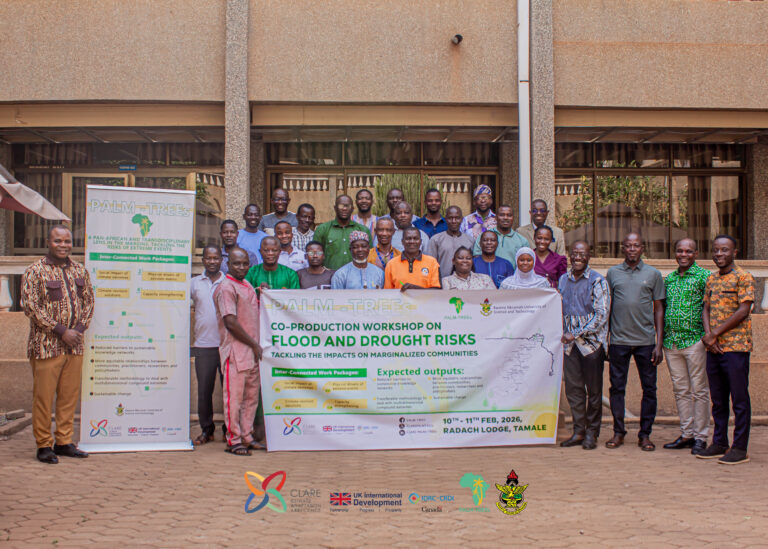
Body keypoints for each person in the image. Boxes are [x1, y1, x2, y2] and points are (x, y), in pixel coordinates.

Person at [21, 225, 94, 464]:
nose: (63, 245)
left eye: (66, 241)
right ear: (48, 242)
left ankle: (63, 441)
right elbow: (31, 307)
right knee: (43, 397)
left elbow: (89, 303)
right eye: (58, 241)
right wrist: (62, 331)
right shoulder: (35, 271)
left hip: (74, 346)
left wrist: (78, 331)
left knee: (68, 396)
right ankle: (43, 444)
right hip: (46, 346)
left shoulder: (80, 271)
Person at [698, 235, 755, 465]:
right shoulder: (711, 279)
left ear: (735, 252)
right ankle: (719, 442)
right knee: (718, 399)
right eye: (716, 250)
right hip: (713, 349)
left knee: (739, 399)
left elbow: (743, 310)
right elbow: (705, 309)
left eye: (724, 250)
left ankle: (739, 448)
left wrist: (715, 334)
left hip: (735, 347)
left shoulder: (744, 277)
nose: (719, 254)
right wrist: (709, 336)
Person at [605, 232, 665, 452]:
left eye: (636, 245)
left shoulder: (653, 274)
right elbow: (607, 308)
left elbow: (659, 309)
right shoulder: (613, 273)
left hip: (646, 341)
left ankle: (645, 435)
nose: (632, 249)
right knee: (617, 388)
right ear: (622, 248)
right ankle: (618, 432)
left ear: (643, 248)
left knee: (649, 388)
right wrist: (606, 340)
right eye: (628, 245)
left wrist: (659, 343)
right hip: (619, 341)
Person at [558, 241, 610, 450]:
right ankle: (578, 431)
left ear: (589, 256)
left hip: (591, 346)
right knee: (574, 390)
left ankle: (592, 433)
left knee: (594, 391)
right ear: (570, 255)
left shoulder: (598, 281)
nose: (578, 257)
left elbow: (602, 315)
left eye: (583, 254)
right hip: (569, 348)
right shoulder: (563, 279)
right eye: (575, 253)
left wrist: (575, 333)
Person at [661, 238, 711, 456]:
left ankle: (701, 437)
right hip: (672, 343)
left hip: (695, 342)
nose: (683, 254)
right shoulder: (670, 279)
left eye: (688, 251)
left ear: (696, 253)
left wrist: (708, 336)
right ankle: (687, 434)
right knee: (681, 390)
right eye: (680, 251)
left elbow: (710, 308)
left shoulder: (704, 277)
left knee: (699, 391)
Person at [213, 248, 263, 456]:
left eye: (244, 264)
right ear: (228, 265)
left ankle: (247, 435)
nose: (241, 267)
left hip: (252, 352)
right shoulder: (226, 287)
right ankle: (233, 440)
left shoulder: (247, 284)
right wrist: (253, 343)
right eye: (237, 264)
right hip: (236, 350)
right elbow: (230, 322)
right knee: (234, 398)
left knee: (251, 397)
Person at [190, 245, 226, 445]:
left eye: (215, 258)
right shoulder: (194, 283)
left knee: (228, 391)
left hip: (226, 345)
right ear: (203, 260)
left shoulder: (228, 281)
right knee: (204, 391)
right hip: (203, 346)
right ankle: (207, 430)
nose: (212, 261)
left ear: (221, 259)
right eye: (208, 258)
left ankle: (229, 430)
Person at [314, 194, 372, 270]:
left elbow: (370, 256)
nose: (344, 209)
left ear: (352, 209)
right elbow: (315, 254)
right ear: (335, 208)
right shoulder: (323, 229)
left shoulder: (362, 230)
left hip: (356, 276)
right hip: (330, 277)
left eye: (347, 206)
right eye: (341, 206)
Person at [428, 205, 476, 279]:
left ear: (462, 219)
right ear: (445, 219)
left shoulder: (470, 240)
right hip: (441, 285)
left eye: (457, 218)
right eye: (450, 218)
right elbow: (430, 264)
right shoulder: (436, 239)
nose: (454, 221)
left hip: (465, 286)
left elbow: (473, 265)